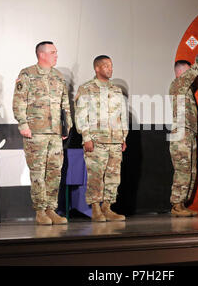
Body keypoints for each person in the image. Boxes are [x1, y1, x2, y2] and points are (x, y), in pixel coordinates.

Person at [13, 41, 72, 225]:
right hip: (35, 132)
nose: (56, 55)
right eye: (53, 52)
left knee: (55, 172)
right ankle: (40, 211)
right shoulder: (27, 74)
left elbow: (65, 103)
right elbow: (19, 101)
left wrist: (66, 125)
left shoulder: (58, 76)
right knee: (38, 172)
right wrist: (23, 124)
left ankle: (51, 209)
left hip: (55, 133)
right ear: (42, 54)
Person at [168, 36, 198, 217]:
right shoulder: (178, 83)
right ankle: (176, 204)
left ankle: (182, 203)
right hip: (181, 133)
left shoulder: (184, 89)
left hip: (187, 132)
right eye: (189, 73)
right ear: (181, 72)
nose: (193, 77)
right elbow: (197, 68)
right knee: (183, 169)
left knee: (190, 169)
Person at [74, 55, 128, 222]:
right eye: (106, 66)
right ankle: (96, 208)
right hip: (96, 141)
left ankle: (107, 207)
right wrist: (86, 137)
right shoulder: (86, 88)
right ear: (97, 68)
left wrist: (123, 137)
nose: (110, 69)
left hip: (115, 141)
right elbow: (81, 115)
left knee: (113, 176)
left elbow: (123, 115)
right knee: (96, 176)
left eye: (111, 66)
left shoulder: (116, 90)